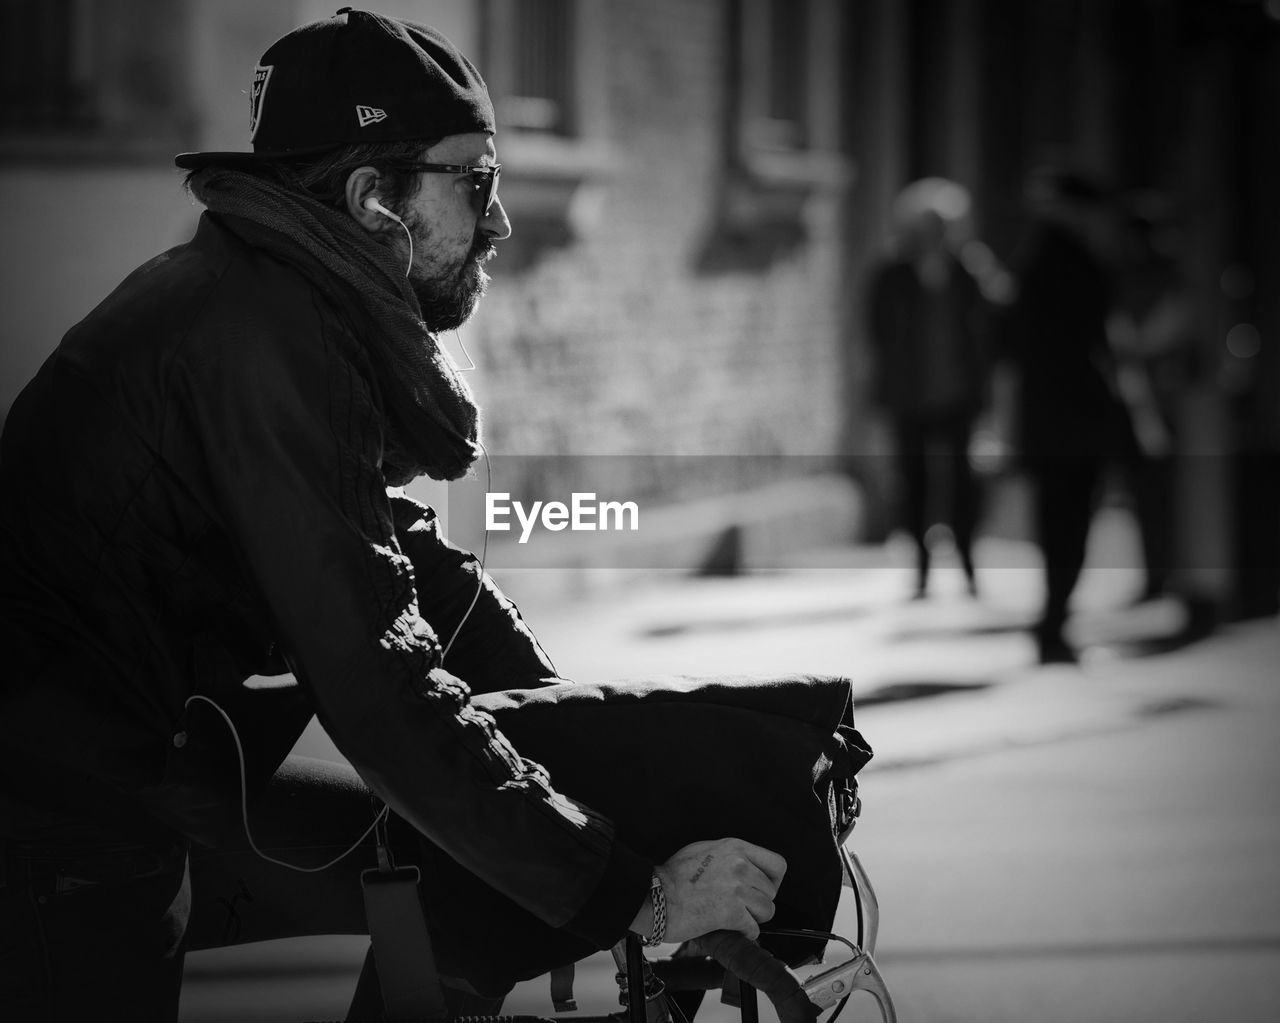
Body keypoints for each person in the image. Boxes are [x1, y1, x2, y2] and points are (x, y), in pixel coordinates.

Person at [0, 11, 792, 1019]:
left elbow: (403, 566)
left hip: (144, 768)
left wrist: (588, 750)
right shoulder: (265, 333)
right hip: (50, 809)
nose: (497, 221)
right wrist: (633, 892)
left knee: (452, 863)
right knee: (473, 848)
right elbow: (374, 670)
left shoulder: (277, 299)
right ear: (375, 200)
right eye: (475, 181)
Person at [999, 167, 1131, 664]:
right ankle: (1055, 622)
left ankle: (1053, 620)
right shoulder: (1075, 263)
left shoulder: (1032, 261)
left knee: (1057, 522)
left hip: (1047, 415)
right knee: (1070, 522)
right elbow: (1100, 340)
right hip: (1074, 415)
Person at [866, 179, 991, 599]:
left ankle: (969, 563)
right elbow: (877, 331)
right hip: (910, 397)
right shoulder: (893, 274)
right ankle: (920, 569)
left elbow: (988, 328)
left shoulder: (968, 271)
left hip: (958, 396)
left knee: (962, 485)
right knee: (915, 483)